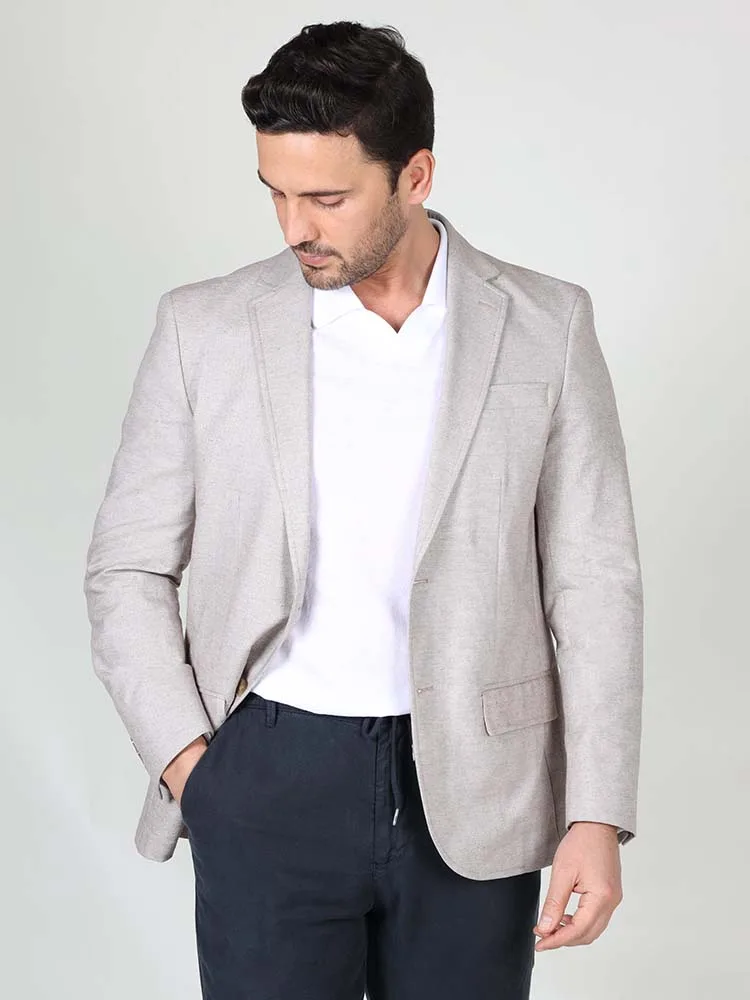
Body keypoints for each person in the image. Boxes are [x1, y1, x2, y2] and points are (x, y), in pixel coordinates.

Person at [83, 19, 644, 1000]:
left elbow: (594, 579)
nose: (295, 227)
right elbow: (126, 566)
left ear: (414, 176)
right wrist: (192, 767)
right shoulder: (203, 328)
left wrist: (595, 811)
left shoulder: (547, 326)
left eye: (328, 199)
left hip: (476, 780)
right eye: (276, 193)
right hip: (268, 770)